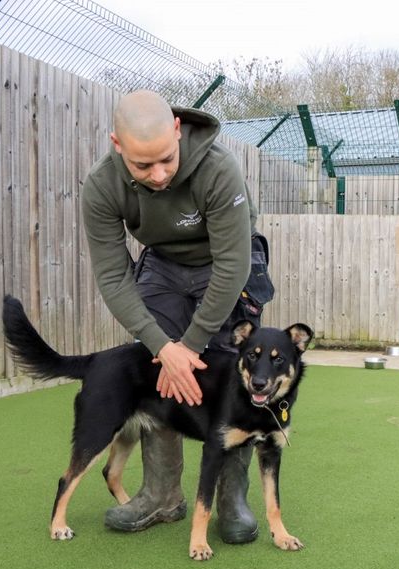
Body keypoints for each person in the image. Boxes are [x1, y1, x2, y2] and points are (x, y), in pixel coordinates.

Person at [81, 89, 274, 544]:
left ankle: (232, 500)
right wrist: (164, 348)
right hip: (164, 265)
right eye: (142, 166)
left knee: (232, 374)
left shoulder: (218, 169)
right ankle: (162, 496)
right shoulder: (101, 186)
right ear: (117, 144)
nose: (159, 174)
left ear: (176, 131)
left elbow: (232, 266)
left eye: (166, 159)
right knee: (157, 369)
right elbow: (113, 276)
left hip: (226, 262)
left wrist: (190, 345)